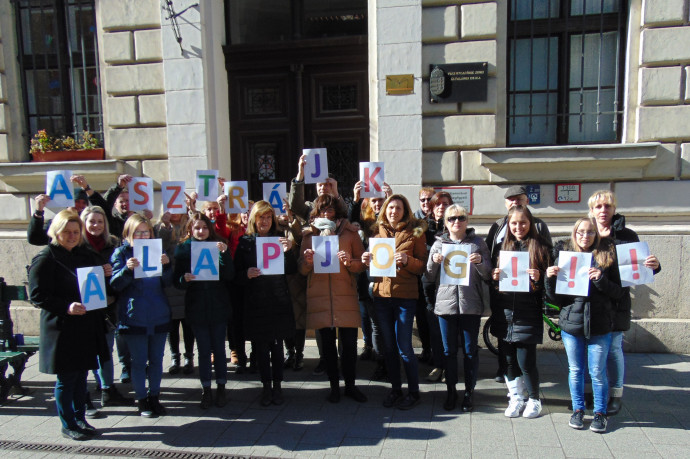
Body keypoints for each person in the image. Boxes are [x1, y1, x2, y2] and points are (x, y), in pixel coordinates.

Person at [28, 210, 109, 440]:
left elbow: (96, 280)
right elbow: (36, 295)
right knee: (67, 379)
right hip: (61, 328)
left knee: (82, 375)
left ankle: (80, 418)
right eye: (67, 232)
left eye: (76, 232)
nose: (73, 236)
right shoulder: (46, 257)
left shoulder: (84, 254)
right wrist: (66, 306)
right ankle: (68, 423)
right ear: (57, 231)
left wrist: (104, 271)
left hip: (84, 325)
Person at [546, 217, 624, 433]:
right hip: (572, 324)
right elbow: (556, 299)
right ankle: (578, 410)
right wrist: (549, 278)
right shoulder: (565, 257)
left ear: (596, 235)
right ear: (574, 234)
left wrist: (600, 279)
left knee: (597, 371)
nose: (585, 236)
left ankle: (600, 413)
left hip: (600, 324)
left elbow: (619, 293)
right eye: (580, 232)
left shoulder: (607, 257)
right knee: (576, 370)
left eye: (590, 232)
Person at [587, 190, 660, 415]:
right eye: (598, 207)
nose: (603, 211)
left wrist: (653, 265)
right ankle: (595, 391)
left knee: (614, 350)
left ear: (614, 208)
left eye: (607, 206)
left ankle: (616, 394)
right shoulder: (586, 232)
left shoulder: (627, 235)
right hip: (590, 302)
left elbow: (639, 269)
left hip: (616, 301)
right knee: (592, 351)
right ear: (591, 210)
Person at [300, 194, 367, 403]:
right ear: (316, 214)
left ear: (337, 212)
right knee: (327, 348)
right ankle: (333, 387)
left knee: (348, 346)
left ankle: (350, 386)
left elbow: (361, 264)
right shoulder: (309, 235)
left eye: (330, 211)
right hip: (319, 297)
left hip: (344, 296)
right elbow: (301, 269)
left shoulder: (349, 233)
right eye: (322, 211)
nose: (327, 214)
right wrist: (308, 261)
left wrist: (349, 262)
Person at [361, 194, 427, 410]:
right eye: (390, 208)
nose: (393, 211)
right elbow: (369, 260)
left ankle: (414, 392)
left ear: (405, 210)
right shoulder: (375, 231)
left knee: (405, 347)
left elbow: (422, 266)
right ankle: (396, 389)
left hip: (405, 297)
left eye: (398, 208)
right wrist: (365, 259)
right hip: (381, 295)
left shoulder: (416, 230)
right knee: (388, 348)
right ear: (384, 211)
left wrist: (408, 261)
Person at [426, 205, 491, 411]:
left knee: (471, 351)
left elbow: (488, 274)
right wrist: (434, 262)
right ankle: (451, 391)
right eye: (452, 218)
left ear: (467, 221)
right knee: (449, 351)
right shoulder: (438, 244)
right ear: (445, 223)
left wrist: (480, 262)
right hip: (445, 306)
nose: (457, 221)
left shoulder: (478, 243)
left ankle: (469, 392)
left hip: (470, 305)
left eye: (461, 217)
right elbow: (428, 275)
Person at [486, 185, 552, 383]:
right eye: (511, 199)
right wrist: (492, 275)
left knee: (524, 346)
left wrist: (540, 276)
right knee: (503, 337)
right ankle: (503, 370)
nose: (515, 202)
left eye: (519, 199)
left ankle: (524, 376)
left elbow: (547, 256)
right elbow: (490, 254)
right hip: (503, 292)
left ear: (526, 201)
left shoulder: (538, 226)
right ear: (506, 203)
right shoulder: (497, 225)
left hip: (527, 297)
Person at [233, 201, 297, 406]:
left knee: (277, 348)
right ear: (254, 219)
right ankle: (266, 386)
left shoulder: (279, 239)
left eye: (268, 217)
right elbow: (235, 275)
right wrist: (246, 274)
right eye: (261, 217)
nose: (265, 221)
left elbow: (292, 269)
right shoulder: (245, 242)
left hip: (277, 300)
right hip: (256, 302)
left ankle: (277, 386)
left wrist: (289, 251)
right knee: (260, 348)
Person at [110, 214, 172, 418]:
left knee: (156, 360)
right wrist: (126, 270)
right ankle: (141, 399)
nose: (143, 235)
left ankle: (154, 396)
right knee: (138, 361)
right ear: (129, 233)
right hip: (134, 314)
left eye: (146, 231)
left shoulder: (157, 250)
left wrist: (167, 266)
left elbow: (167, 283)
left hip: (158, 313)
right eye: (138, 232)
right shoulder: (121, 253)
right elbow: (115, 285)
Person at [174, 213, 234, 409]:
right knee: (203, 351)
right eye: (197, 228)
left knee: (219, 348)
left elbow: (229, 275)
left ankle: (222, 388)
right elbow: (176, 281)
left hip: (218, 305)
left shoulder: (218, 246)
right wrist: (185, 279)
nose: (201, 231)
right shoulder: (183, 249)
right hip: (197, 307)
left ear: (210, 229)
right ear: (190, 229)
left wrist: (225, 255)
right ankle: (206, 389)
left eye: (204, 228)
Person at [80, 206, 131, 408]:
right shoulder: (78, 247)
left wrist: (113, 290)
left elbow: (121, 273)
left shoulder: (113, 244)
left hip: (109, 305)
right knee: (88, 350)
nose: (96, 226)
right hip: (85, 307)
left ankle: (108, 388)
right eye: (92, 221)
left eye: (100, 222)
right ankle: (94, 387)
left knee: (106, 349)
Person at [155, 211, 195, 375]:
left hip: (185, 281)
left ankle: (189, 357)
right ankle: (174, 357)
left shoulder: (188, 227)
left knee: (187, 324)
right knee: (172, 324)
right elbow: (158, 245)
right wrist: (165, 227)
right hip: (169, 283)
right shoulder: (162, 228)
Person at [421, 192, 453, 382]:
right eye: (437, 204)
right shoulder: (422, 227)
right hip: (430, 283)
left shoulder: (455, 225)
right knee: (433, 326)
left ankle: (448, 365)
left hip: (450, 282)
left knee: (449, 328)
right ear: (431, 208)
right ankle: (438, 364)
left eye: (445, 204)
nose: (441, 207)